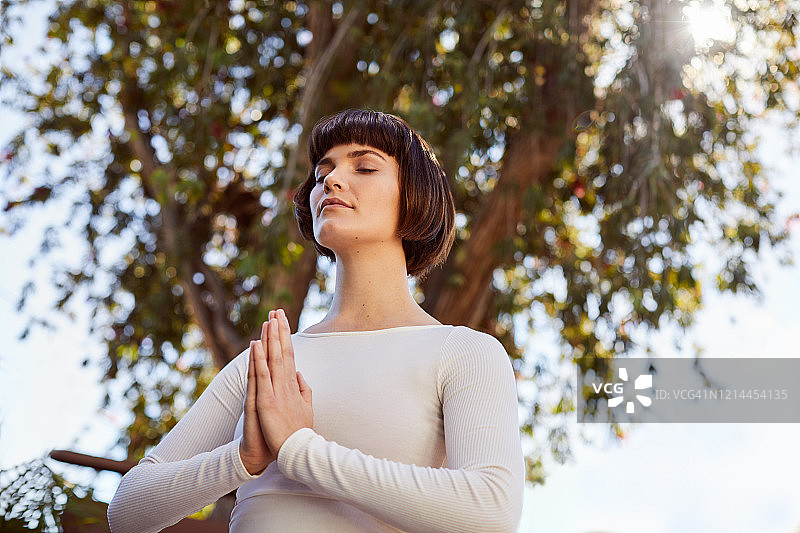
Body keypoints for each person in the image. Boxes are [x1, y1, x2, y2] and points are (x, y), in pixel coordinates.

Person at [107, 109, 524, 533]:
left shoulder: (463, 353)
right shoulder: (270, 363)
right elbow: (127, 510)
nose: (332, 179)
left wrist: (299, 450)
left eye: (364, 166)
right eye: (324, 169)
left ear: (414, 196)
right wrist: (242, 458)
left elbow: (490, 512)